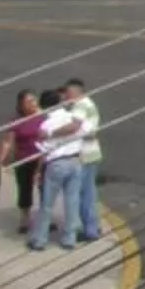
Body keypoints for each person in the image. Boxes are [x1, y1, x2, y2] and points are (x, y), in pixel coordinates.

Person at [33, 95, 88, 250]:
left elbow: (43, 150)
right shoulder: (73, 118)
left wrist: (38, 172)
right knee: (72, 201)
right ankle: (69, 239)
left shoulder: (46, 125)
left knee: (47, 203)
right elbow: (85, 133)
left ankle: (40, 240)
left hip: (56, 163)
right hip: (76, 160)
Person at [0, 90, 46, 233]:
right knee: (24, 189)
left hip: (41, 158)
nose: (33, 104)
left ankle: (46, 217)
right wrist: (1, 160)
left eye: (34, 100)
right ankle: (25, 218)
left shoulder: (43, 116)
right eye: (29, 102)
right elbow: (7, 142)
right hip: (23, 159)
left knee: (45, 189)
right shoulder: (17, 121)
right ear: (21, 105)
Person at [60, 79, 103, 242]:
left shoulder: (81, 106)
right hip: (91, 153)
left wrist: (52, 134)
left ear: (77, 92)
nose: (66, 96)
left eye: (68, 93)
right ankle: (92, 226)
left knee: (82, 193)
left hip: (84, 154)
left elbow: (74, 126)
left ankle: (89, 229)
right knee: (88, 192)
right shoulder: (87, 104)